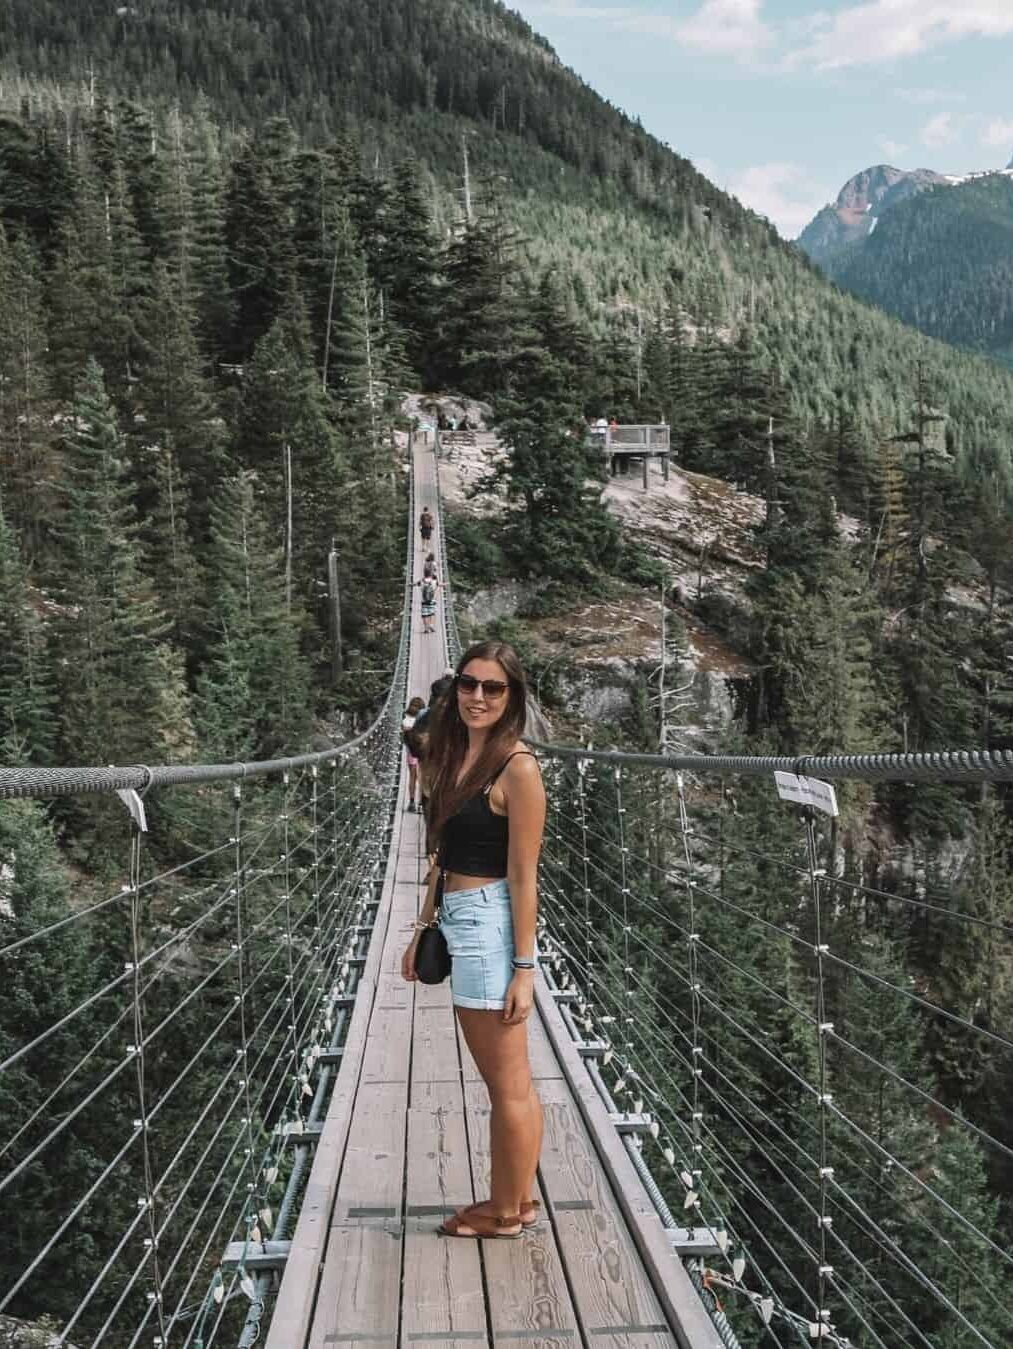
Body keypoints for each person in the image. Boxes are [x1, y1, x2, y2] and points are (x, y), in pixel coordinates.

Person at [402, 641, 546, 1241]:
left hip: (489, 926)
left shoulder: (518, 767)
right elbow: (445, 853)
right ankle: (520, 1197)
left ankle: (503, 1213)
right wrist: (421, 928)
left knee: (507, 1085)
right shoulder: (455, 754)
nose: (477, 697)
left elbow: (523, 876)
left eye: (493, 688)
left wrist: (524, 968)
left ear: (512, 698)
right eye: (468, 684)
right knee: (507, 1081)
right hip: (458, 916)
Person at [402, 696, 426, 811]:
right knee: (422, 777)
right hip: (422, 751)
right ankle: (421, 804)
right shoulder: (423, 718)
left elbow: (404, 736)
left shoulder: (405, 718)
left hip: (411, 751)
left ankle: (411, 802)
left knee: (412, 776)